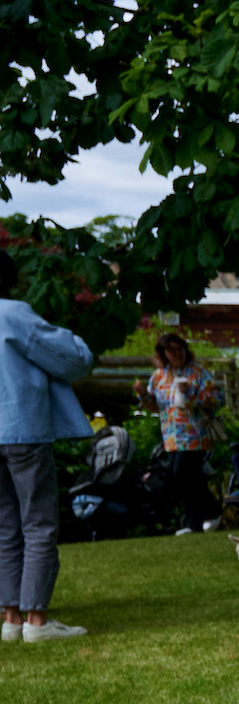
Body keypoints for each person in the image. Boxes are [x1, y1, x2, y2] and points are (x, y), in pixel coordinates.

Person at [0, 249, 93, 642]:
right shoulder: (13, 313)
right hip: (22, 429)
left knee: (4, 527)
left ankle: (10, 618)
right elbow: (75, 359)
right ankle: (36, 620)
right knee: (38, 524)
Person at [144, 331, 224, 533]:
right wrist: (142, 395)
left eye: (180, 349)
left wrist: (192, 395)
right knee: (180, 477)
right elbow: (155, 406)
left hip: (196, 433)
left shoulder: (198, 372)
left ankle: (212, 512)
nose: (178, 353)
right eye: (172, 351)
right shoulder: (158, 377)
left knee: (183, 473)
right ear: (163, 354)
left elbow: (218, 399)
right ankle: (193, 522)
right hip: (171, 435)